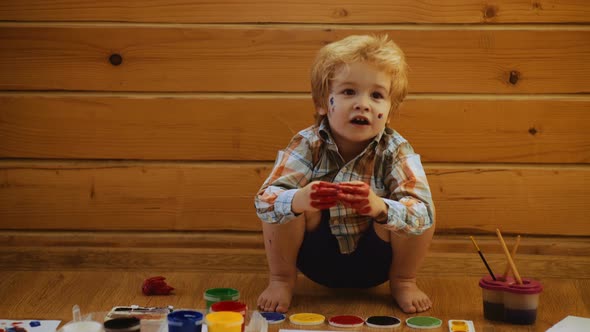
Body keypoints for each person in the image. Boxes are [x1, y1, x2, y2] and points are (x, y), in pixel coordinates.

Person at [254, 34, 435, 314]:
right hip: (316, 257)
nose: (363, 104)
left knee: (420, 207)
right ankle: (281, 279)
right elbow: (264, 202)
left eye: (377, 95)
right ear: (323, 104)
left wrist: (381, 208)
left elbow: (424, 215)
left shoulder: (395, 150)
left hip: (377, 262)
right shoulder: (307, 144)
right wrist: (299, 200)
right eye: (349, 92)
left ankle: (404, 280)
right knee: (287, 204)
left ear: (390, 111)